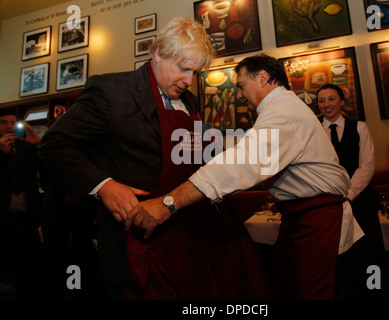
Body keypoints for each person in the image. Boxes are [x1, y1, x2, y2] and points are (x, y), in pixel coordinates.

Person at [38, 16, 268, 299]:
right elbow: (54, 143)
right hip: (134, 238)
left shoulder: (189, 100)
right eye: (184, 69)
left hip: (180, 231)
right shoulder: (111, 91)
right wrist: (104, 186)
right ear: (159, 54)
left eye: (195, 72)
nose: (189, 80)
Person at [125, 53, 364, 300]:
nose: (239, 94)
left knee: (310, 293)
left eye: (241, 86)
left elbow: (240, 163)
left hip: (318, 218)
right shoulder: (280, 108)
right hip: (298, 217)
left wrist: (168, 203)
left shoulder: (283, 112)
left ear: (262, 78)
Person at [317, 83, 387, 299]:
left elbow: (366, 166)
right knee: (334, 256)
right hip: (327, 203)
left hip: (359, 201)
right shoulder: (313, 130)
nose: (326, 105)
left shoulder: (360, 127)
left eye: (331, 99)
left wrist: (348, 195)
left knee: (368, 254)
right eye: (321, 100)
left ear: (342, 102)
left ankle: (373, 292)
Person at [0, 109, 46, 299]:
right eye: (3, 123)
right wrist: (2, 154)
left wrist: (38, 145)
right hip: (2, 219)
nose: (9, 127)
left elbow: (45, 172)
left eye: (13, 123)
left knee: (29, 268)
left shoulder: (26, 147)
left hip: (28, 217)